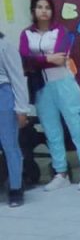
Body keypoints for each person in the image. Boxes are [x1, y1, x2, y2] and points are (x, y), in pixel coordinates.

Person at [19, 0, 80, 192]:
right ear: (33, 11)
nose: (44, 10)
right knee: (52, 131)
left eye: (47, 7)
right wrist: (47, 58)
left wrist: (38, 59)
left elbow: (61, 58)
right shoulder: (26, 34)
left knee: (76, 127)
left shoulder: (60, 31)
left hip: (63, 84)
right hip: (41, 88)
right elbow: (24, 59)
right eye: (39, 7)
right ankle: (60, 172)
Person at [0, 30, 29, 207]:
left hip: (4, 96)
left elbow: (18, 78)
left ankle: (16, 188)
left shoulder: (5, 46)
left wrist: (21, 108)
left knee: (10, 145)